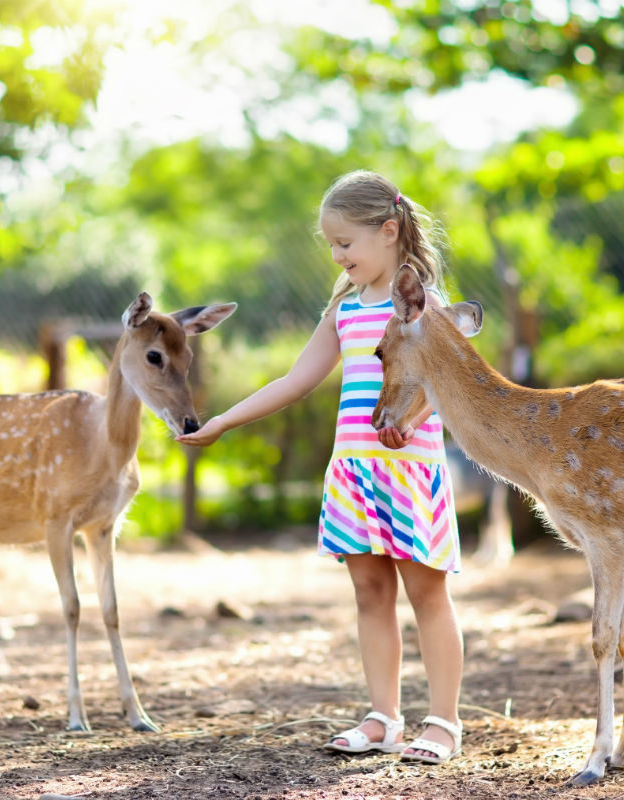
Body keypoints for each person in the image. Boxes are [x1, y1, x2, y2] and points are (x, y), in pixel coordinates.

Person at [176, 170, 465, 764]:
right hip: (355, 471)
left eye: (345, 243)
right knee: (368, 591)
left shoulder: (419, 305)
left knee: (426, 594)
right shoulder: (344, 309)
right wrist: (223, 422)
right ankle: (383, 717)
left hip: (410, 470)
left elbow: (448, 379)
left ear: (388, 232)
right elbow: (295, 379)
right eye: (330, 245)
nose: (337, 255)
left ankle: (443, 723)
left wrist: (409, 422)